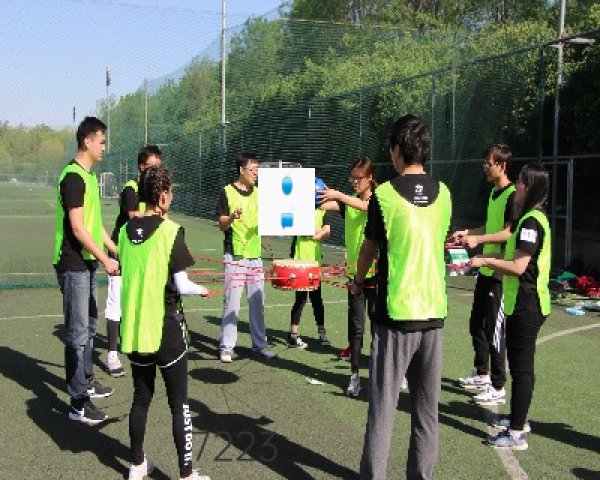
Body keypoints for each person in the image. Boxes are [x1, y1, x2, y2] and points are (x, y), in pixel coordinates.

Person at [352, 115, 451, 479]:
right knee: (427, 412)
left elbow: (369, 248)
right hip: (433, 313)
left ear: (397, 149)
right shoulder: (445, 193)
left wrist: (357, 281)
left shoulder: (384, 195)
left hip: (396, 314)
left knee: (383, 410)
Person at [119, 166, 211, 480]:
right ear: (162, 196)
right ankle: (186, 473)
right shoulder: (171, 231)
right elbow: (182, 285)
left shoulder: (124, 231)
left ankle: (136, 465)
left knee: (140, 398)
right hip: (165, 328)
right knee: (179, 403)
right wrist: (202, 289)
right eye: (170, 192)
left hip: (135, 328)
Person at [471, 163, 551, 451]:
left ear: (531, 187)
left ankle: (516, 433)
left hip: (528, 304)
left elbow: (518, 267)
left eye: (522, 182)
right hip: (525, 302)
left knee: (521, 370)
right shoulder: (529, 219)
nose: (517, 185)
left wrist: (485, 260)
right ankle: (519, 420)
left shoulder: (531, 223)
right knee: (520, 368)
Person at [53, 116, 119, 425]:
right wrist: (106, 260)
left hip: (88, 263)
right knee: (78, 335)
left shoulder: (89, 177)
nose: (104, 147)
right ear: (87, 141)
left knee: (90, 328)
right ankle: (78, 404)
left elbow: (95, 225)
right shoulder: (73, 177)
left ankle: (87, 382)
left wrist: (114, 249)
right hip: (73, 264)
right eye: (101, 141)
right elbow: (78, 229)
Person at [450, 144, 517, 405]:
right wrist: (469, 233)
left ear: (502, 165)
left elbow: (508, 233)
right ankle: (482, 373)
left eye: (489, 164)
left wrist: (478, 240)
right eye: (485, 164)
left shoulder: (512, 194)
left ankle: (498, 387)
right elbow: (490, 227)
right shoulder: (493, 193)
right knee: (476, 324)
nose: (486, 168)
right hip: (485, 268)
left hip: (500, 271)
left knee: (494, 330)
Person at [319, 158, 378, 396]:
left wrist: (338, 195)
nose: (354, 181)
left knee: (380, 328)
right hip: (355, 276)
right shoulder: (349, 202)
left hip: (377, 274)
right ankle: (354, 376)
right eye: (351, 177)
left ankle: (390, 373)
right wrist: (314, 196)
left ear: (370, 178)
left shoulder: (378, 200)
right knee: (356, 328)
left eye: (358, 178)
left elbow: (365, 206)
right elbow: (327, 205)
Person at [103, 144, 162, 378]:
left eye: (158, 167)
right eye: (150, 167)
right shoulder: (131, 189)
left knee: (142, 298)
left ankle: (139, 343)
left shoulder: (159, 189)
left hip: (144, 252)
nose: (154, 171)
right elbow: (134, 218)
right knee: (116, 301)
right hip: (121, 250)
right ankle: (111, 354)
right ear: (140, 167)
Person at [215, 152, 276, 363]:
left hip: (255, 255)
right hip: (235, 255)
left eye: (258, 170)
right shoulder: (227, 192)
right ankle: (226, 347)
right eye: (253, 170)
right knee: (232, 303)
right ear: (241, 170)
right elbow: (221, 224)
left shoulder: (260, 193)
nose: (256, 174)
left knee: (258, 302)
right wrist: (232, 217)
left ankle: (260, 346)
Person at [286, 204, 332, 348]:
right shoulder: (298, 208)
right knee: (300, 298)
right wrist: (318, 231)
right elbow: (300, 229)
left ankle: (322, 332)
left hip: (315, 262)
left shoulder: (322, 210)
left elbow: (327, 232)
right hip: (300, 262)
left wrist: (317, 232)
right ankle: (293, 335)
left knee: (316, 298)